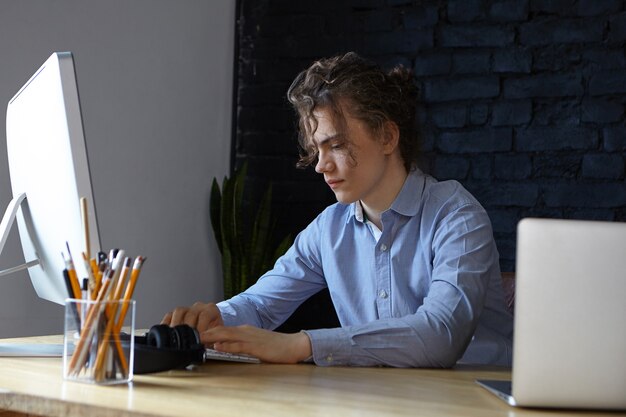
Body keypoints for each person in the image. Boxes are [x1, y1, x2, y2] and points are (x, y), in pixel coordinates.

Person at [162, 52, 513, 367]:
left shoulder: (457, 216)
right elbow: (260, 305)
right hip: (379, 401)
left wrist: (303, 344)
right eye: (317, 149)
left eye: (337, 145)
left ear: (388, 137)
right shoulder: (328, 230)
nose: (320, 165)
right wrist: (213, 318)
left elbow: (440, 336)